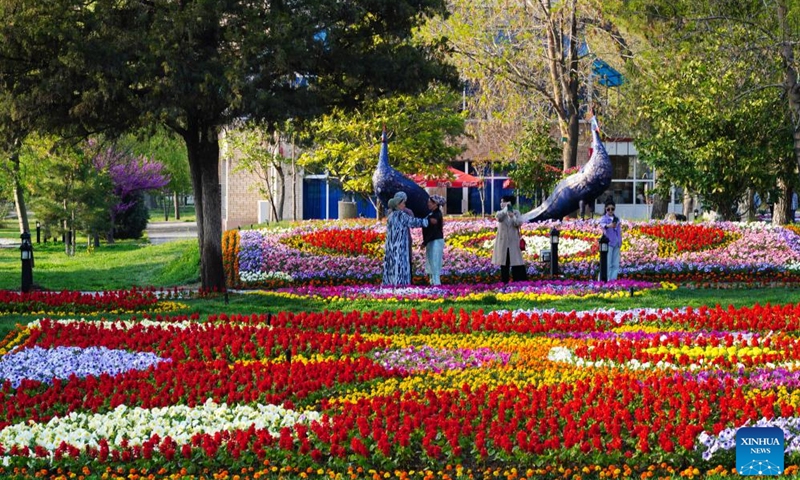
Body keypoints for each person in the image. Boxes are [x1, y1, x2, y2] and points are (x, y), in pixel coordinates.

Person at [382, 192, 429, 286]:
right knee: (400, 264)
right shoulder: (401, 215)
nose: (404, 205)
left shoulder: (391, 216)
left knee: (392, 263)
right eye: (403, 203)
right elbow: (413, 222)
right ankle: (400, 283)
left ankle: (391, 283)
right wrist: (427, 221)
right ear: (398, 205)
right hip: (400, 245)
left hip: (391, 245)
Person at [491, 195, 528, 283]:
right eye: (501, 202)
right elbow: (498, 218)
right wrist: (505, 210)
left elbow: (518, 223)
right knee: (504, 263)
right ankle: (505, 281)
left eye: (503, 201)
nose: (501, 203)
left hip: (513, 242)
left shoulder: (516, 213)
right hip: (503, 243)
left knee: (516, 262)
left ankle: (518, 281)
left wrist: (512, 216)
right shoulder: (500, 213)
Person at [422, 195, 445, 285]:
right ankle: (432, 281)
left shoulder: (437, 214)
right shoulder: (431, 214)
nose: (428, 204)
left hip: (435, 240)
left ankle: (436, 283)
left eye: (430, 203)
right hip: (431, 240)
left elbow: (433, 231)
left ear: (435, 204)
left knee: (435, 261)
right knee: (431, 261)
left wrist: (425, 242)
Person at [599, 199, 622, 280]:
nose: (610, 210)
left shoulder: (617, 219)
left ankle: (613, 279)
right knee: (607, 263)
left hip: (616, 243)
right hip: (608, 243)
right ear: (605, 209)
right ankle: (604, 279)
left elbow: (619, 231)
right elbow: (602, 225)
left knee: (615, 264)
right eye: (608, 209)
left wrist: (620, 241)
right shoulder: (604, 218)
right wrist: (609, 225)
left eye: (612, 209)